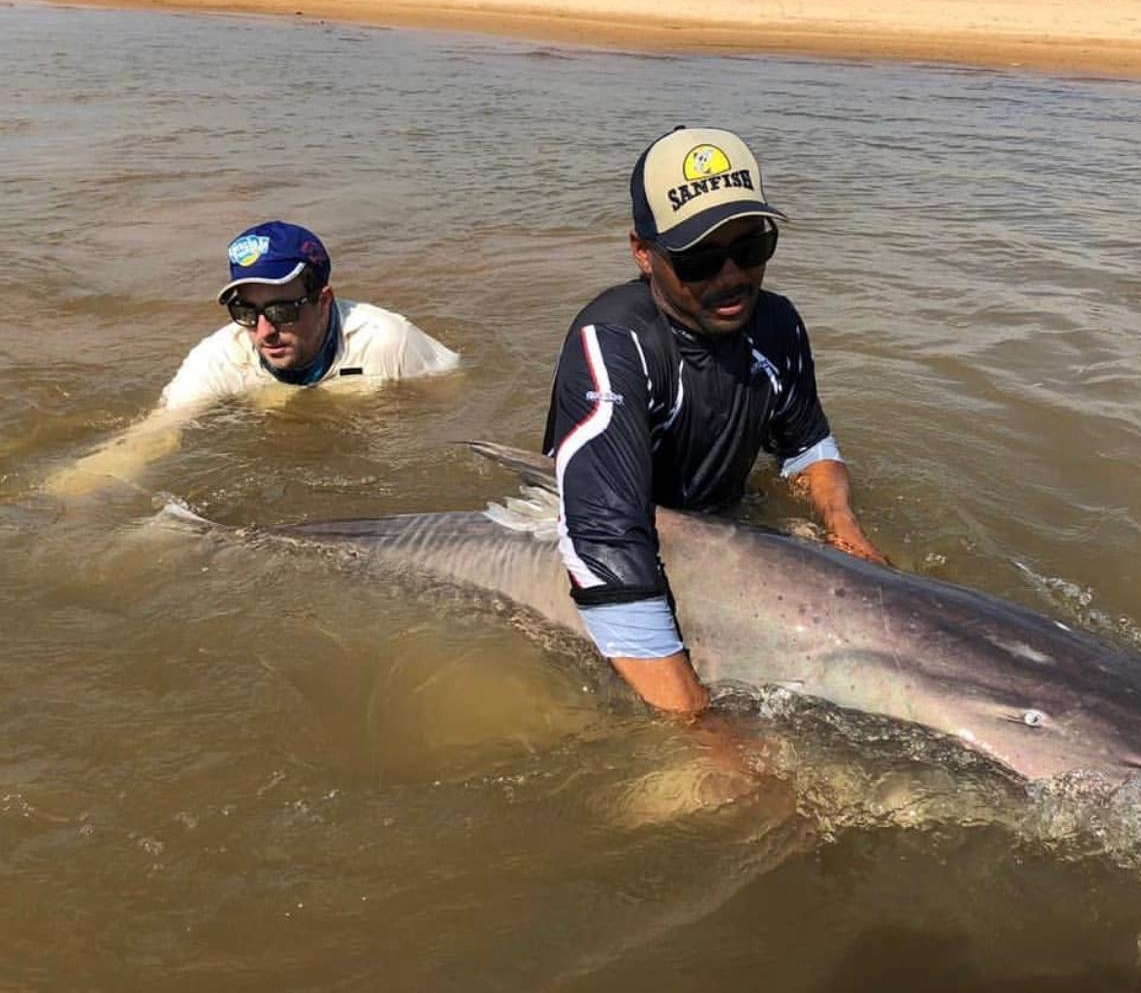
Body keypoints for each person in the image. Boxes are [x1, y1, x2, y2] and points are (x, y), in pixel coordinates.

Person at [542, 126, 889, 718]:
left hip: (716, 528)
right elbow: (604, 547)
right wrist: (702, 729)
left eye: (751, 247)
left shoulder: (776, 324)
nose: (732, 277)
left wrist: (841, 524)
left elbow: (807, 448)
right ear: (642, 251)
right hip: (613, 541)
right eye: (700, 258)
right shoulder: (614, 341)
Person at [44, 220, 459, 495]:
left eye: (282, 311)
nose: (263, 332)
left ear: (324, 300)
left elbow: (453, 404)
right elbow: (157, 432)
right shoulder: (221, 358)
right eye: (245, 312)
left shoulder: (387, 341)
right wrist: (83, 483)